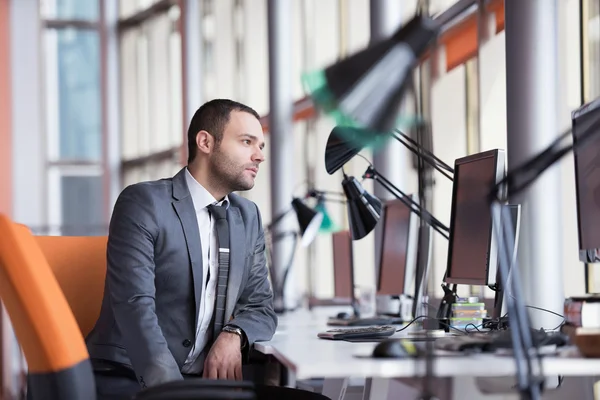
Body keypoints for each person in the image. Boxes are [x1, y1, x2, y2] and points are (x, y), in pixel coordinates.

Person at [86, 99, 328, 400]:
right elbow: (135, 308)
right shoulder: (143, 203)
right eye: (247, 142)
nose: (259, 155)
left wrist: (234, 334)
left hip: (201, 382)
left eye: (261, 146)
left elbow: (260, 307)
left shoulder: (247, 215)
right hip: (130, 376)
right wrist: (175, 393)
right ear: (205, 142)